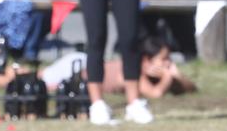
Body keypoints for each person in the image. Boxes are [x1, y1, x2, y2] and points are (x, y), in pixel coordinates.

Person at [40, 36, 197, 98]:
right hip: (75, 68)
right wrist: (169, 76)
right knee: (34, 81)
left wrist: (178, 77)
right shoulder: (134, 71)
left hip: (84, 68)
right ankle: (16, 70)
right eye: (163, 59)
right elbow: (156, 94)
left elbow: (191, 90)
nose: (168, 62)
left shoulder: (150, 74)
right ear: (147, 60)